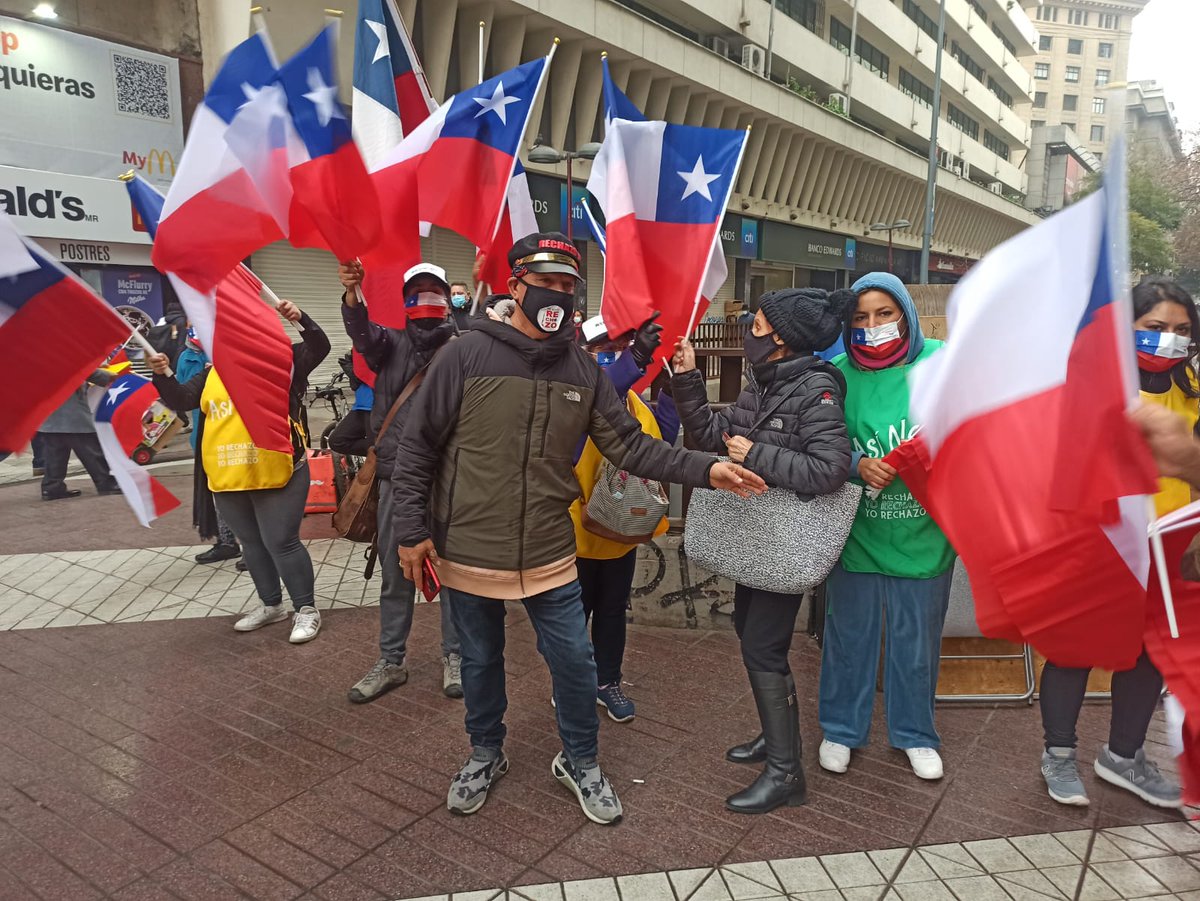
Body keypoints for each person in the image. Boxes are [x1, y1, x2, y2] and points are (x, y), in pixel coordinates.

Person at [390, 232, 767, 824]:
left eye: (568, 285)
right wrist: (411, 532)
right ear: (514, 286)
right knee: (480, 661)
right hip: (469, 546)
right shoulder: (463, 356)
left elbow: (632, 446)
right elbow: (417, 449)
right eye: (545, 282)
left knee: (574, 661)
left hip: (549, 547)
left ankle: (581, 759)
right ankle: (485, 752)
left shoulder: (581, 370)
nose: (557, 294)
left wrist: (706, 468)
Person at [671, 288, 853, 814]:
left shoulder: (816, 388)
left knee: (763, 647)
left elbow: (830, 470)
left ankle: (785, 773)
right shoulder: (765, 381)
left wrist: (757, 455)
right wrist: (687, 377)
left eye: (757, 324)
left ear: (781, 338)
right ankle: (778, 741)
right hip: (760, 538)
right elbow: (712, 437)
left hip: (785, 541)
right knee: (749, 633)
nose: (749, 327)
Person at [1037, 277, 1191, 810]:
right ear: (1128, 328)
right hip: (1096, 542)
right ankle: (1058, 753)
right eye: (1155, 327)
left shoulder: (1192, 389)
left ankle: (1123, 756)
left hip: (1168, 548)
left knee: (1147, 653)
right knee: (1075, 650)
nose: (1169, 339)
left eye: (1182, 330)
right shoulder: (1090, 385)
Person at [818, 272, 955, 782]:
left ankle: (915, 734)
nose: (871, 326)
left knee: (915, 643)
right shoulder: (835, 375)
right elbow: (819, 441)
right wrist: (857, 463)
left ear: (906, 315)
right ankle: (840, 729)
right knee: (847, 638)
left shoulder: (941, 364)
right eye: (859, 317)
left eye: (884, 314)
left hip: (925, 536)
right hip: (855, 533)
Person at [147, 300, 329, 643]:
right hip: (228, 471)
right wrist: (163, 374)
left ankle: (306, 609)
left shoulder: (285, 360)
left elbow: (320, 346)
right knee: (251, 543)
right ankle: (271, 606)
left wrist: (300, 318)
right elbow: (182, 399)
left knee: (281, 541)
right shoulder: (212, 373)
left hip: (281, 469)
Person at [339, 260, 462, 702]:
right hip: (394, 478)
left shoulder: (463, 349)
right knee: (395, 573)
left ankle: (456, 656)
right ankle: (391, 660)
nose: (427, 300)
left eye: (435, 292)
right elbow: (361, 332)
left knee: (452, 573)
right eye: (417, 292)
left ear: (448, 300)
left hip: (449, 478)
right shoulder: (388, 344)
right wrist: (353, 294)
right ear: (405, 301)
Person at [570, 312, 676, 724]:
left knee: (612, 610)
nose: (612, 357)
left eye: (619, 349)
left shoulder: (634, 402)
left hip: (621, 532)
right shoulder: (574, 398)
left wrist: (671, 394)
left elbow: (659, 444)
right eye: (602, 350)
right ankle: (570, 683)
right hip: (576, 533)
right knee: (572, 615)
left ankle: (607, 682)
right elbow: (602, 395)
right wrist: (635, 360)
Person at [177, 327, 242, 565]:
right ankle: (227, 542)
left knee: (248, 491)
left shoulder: (232, 348)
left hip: (237, 433)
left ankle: (256, 546)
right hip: (206, 436)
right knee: (218, 492)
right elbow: (182, 394)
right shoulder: (186, 357)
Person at [39, 376, 122, 501]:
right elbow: (81, 369)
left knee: (55, 452)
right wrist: (109, 376)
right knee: (90, 449)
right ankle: (106, 482)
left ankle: (51, 487)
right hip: (72, 410)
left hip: (50, 410)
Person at [327, 353, 373, 458]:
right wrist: (353, 373)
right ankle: (387, 449)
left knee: (375, 448)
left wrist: (357, 373)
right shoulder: (359, 347)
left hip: (378, 406)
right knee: (337, 441)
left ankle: (386, 451)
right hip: (361, 404)